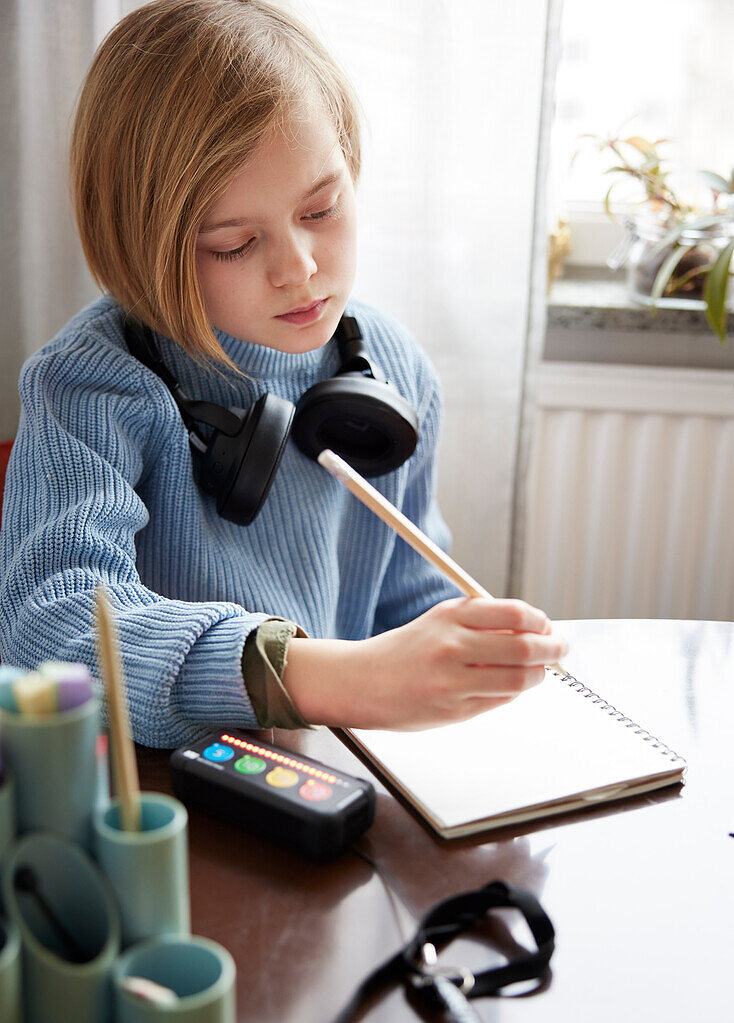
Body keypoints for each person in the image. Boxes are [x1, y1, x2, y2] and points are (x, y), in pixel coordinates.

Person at [0, 0, 568, 748]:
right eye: (234, 244)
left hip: (333, 774)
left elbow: (404, 595)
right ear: (147, 248)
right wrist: (324, 678)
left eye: (323, 209)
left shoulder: (392, 369)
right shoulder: (89, 388)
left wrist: (472, 660)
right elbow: (54, 628)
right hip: (178, 800)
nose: (299, 270)